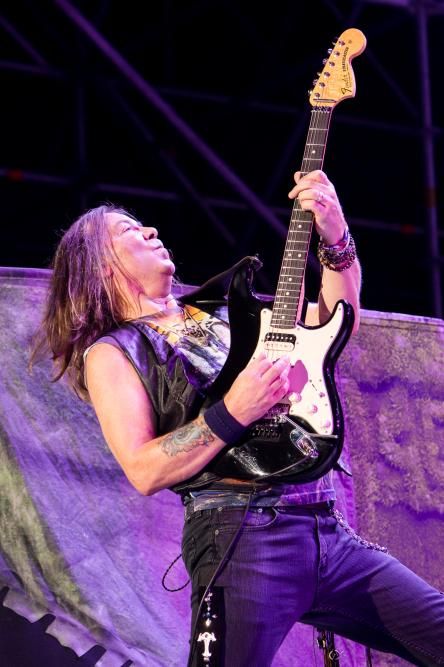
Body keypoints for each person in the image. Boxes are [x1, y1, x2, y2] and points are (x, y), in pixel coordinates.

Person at [34, 169, 444, 666]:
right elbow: (143, 469)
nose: (150, 230)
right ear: (100, 268)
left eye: (143, 225)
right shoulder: (114, 352)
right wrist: (234, 410)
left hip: (324, 526)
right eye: (129, 231)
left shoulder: (226, 313)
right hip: (243, 536)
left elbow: (332, 325)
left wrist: (336, 237)